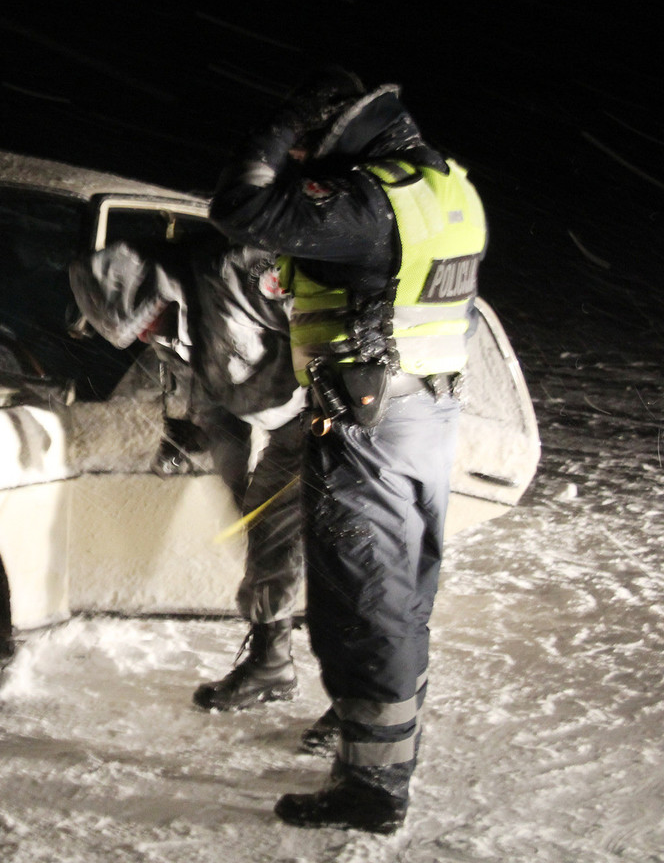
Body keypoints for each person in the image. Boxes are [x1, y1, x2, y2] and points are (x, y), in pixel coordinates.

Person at [208, 69, 487, 833]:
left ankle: (373, 790)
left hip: (367, 423)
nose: (298, 160)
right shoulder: (447, 186)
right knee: (401, 597)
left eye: (308, 147)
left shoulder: (370, 203)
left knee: (362, 601)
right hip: (425, 411)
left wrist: (278, 119)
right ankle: (374, 755)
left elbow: (238, 207)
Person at [69, 233, 308, 710]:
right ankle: (272, 663)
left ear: (154, 292)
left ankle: (355, 705)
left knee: (330, 553)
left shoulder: (235, 277)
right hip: (283, 424)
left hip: (326, 419)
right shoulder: (166, 325)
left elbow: (318, 327)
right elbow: (210, 394)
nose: (142, 336)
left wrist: (342, 420)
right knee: (266, 534)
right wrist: (195, 440)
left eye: (142, 322)